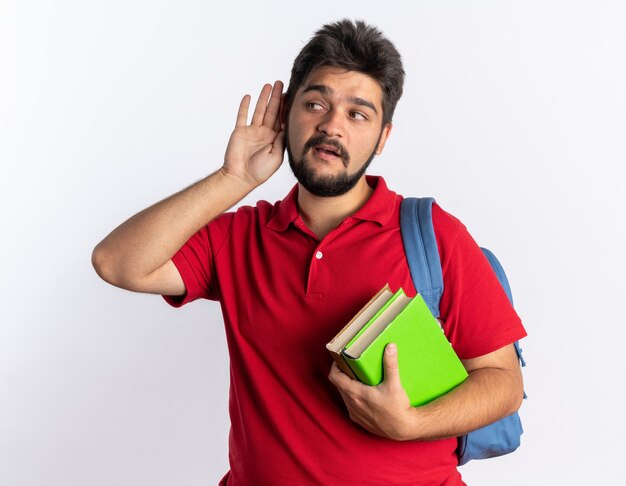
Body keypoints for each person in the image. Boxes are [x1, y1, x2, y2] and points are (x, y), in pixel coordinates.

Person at [92, 19, 526, 485]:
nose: (332, 125)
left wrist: (412, 424)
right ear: (287, 117)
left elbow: (503, 382)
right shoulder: (239, 237)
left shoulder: (433, 236)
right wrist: (233, 179)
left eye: (358, 114)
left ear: (383, 137)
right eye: (316, 103)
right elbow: (117, 263)